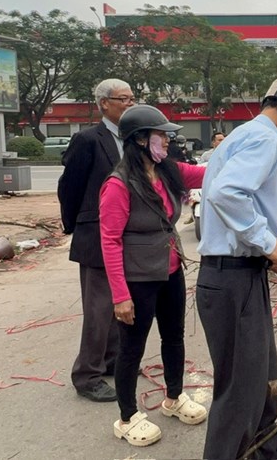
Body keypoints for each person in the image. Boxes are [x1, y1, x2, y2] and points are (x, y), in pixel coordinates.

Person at [196, 73, 277, 460]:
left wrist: (268, 257)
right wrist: (268, 244)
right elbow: (226, 193)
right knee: (240, 389)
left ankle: (269, 449)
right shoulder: (267, 139)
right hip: (231, 278)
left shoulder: (243, 133)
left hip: (241, 273)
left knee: (263, 373)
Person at [100, 105, 208, 447]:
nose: (167, 139)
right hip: (137, 279)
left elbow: (203, 173)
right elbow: (110, 241)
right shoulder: (118, 185)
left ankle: (174, 397)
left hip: (170, 269)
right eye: (161, 135)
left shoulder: (167, 171)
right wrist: (120, 295)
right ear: (141, 140)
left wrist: (239, 153)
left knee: (173, 337)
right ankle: (127, 416)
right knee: (131, 348)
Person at [58, 78, 136, 403]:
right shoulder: (88, 140)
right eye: (123, 99)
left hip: (126, 235)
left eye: (133, 99)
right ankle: (86, 374)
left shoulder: (134, 139)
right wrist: (75, 225)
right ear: (104, 103)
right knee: (99, 308)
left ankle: (111, 361)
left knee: (121, 300)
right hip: (96, 234)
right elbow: (69, 187)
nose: (130, 104)